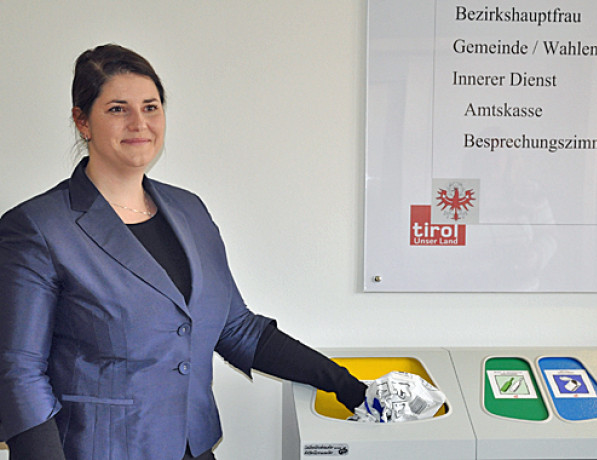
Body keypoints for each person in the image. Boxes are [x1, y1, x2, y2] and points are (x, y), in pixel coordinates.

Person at [0, 44, 366, 460]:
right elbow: (18, 373)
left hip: (194, 448)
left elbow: (237, 329)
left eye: (151, 107)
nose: (140, 123)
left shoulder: (190, 211)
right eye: (118, 109)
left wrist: (344, 384)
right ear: (82, 121)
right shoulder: (39, 227)